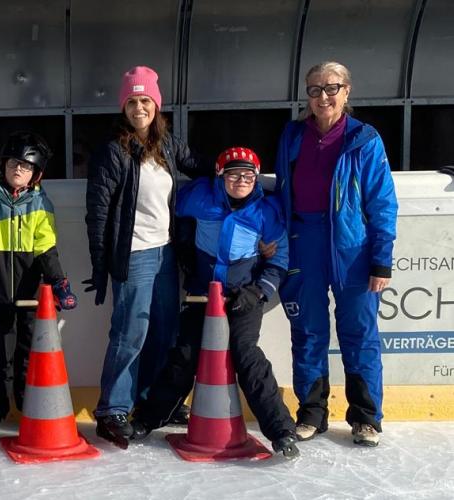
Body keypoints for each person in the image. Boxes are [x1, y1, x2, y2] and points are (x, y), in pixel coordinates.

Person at [130, 147, 300, 459]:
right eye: (233, 174)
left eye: (249, 175)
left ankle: (281, 430)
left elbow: (280, 263)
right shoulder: (199, 196)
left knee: (246, 355)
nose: (241, 181)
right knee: (184, 354)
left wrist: (257, 292)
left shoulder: (267, 212)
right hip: (201, 294)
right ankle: (147, 418)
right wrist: (182, 241)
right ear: (220, 176)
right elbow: (171, 209)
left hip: (242, 296)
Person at [274, 61, 397, 447]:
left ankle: (365, 417)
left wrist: (381, 257)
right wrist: (275, 241)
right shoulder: (293, 136)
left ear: (347, 92)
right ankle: (311, 413)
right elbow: (281, 194)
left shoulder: (364, 139)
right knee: (307, 332)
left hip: (353, 248)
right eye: (314, 89)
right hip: (303, 242)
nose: (323, 96)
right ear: (306, 96)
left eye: (331, 88)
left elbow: (381, 203)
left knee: (359, 334)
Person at [84, 66, 206, 447]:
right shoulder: (113, 151)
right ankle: (113, 408)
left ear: (157, 104)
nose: (140, 108)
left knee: (164, 329)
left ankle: (154, 400)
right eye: (132, 101)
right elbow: (98, 210)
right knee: (130, 331)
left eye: (146, 100)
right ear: (124, 107)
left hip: (165, 251)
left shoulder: (167, 145)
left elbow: (202, 167)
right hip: (133, 253)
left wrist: (246, 178)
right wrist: (101, 263)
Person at [0, 131, 79, 438]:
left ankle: (30, 410)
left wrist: (60, 283)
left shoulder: (41, 203)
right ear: (3, 165)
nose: (18, 170)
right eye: (14, 163)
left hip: (30, 296)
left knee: (29, 354)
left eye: (26, 167)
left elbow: (46, 247)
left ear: (35, 174)